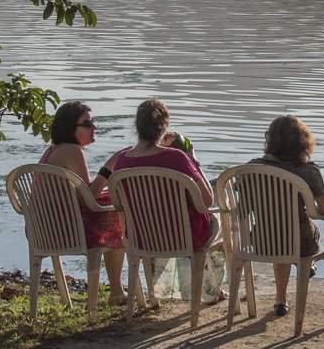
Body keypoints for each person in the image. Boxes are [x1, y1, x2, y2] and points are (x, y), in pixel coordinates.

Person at [89, 98, 225, 301]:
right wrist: (192, 158)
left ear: (137, 126)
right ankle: (211, 289)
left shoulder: (123, 160)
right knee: (220, 206)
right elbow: (206, 201)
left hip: (143, 238)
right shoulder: (177, 158)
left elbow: (118, 202)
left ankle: (173, 290)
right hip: (185, 237)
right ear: (164, 127)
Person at [37, 100, 127, 305]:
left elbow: (78, 196)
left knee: (110, 210)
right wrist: (109, 166)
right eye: (88, 123)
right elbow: (88, 197)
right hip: (65, 233)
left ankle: (117, 291)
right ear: (71, 128)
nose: (94, 127)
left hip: (41, 231)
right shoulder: (73, 151)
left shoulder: (54, 150)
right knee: (118, 216)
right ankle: (117, 292)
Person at [248, 115, 324, 318]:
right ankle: (308, 264)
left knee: (279, 235)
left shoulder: (252, 167)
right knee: (298, 230)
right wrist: (308, 203)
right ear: (302, 141)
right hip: (301, 242)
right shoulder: (309, 170)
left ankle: (280, 300)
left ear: (270, 140)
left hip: (262, 241)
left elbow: (244, 207)